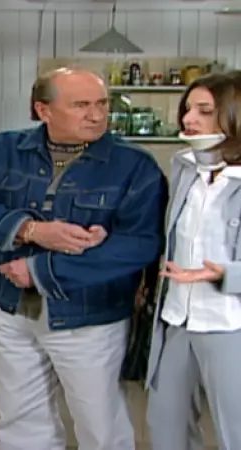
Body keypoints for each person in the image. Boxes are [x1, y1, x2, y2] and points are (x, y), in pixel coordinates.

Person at [0, 67, 168, 450]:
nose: (96, 115)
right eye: (81, 105)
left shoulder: (135, 166)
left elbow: (140, 245)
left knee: (100, 425)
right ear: (43, 110)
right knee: (20, 420)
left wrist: (41, 270)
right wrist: (30, 230)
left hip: (90, 318)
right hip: (10, 310)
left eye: (102, 104)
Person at [146, 72, 241, 450]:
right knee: (165, 425)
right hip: (177, 319)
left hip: (229, 324)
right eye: (187, 108)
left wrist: (224, 274)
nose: (188, 118)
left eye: (204, 110)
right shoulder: (185, 167)